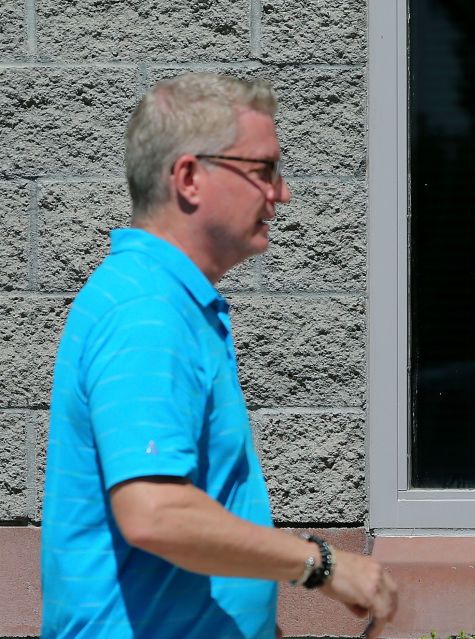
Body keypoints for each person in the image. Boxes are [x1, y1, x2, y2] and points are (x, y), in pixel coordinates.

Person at [40, 73, 397, 639]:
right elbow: (156, 514)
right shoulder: (147, 311)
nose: (281, 193)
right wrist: (322, 565)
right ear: (189, 178)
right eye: (262, 170)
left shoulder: (167, 301)